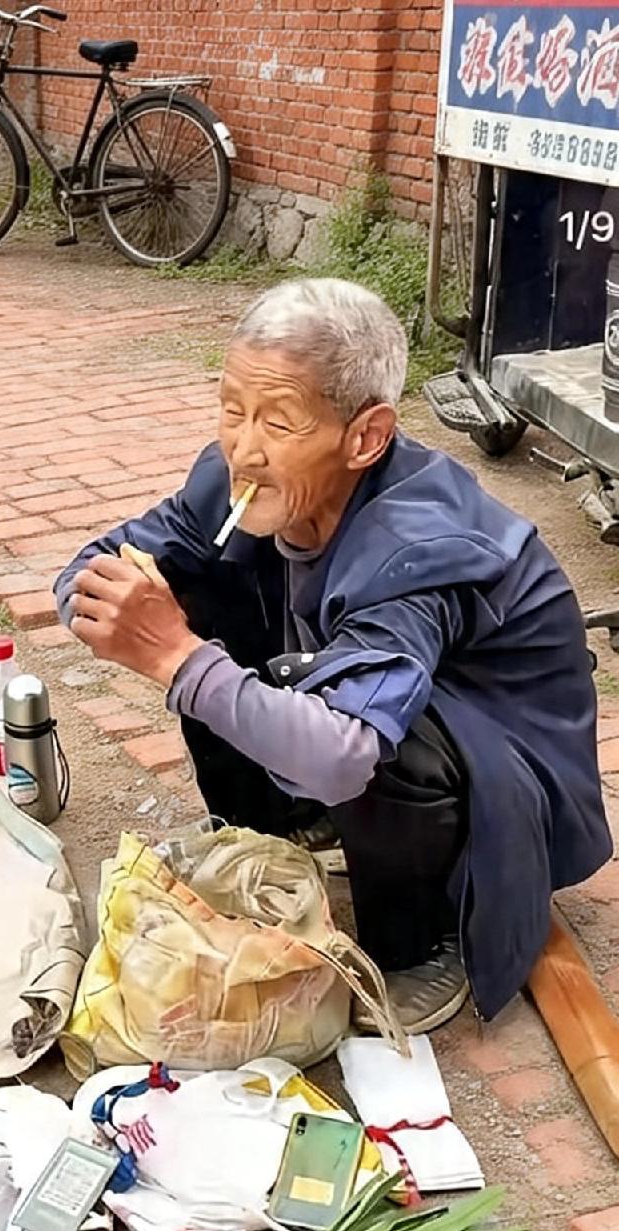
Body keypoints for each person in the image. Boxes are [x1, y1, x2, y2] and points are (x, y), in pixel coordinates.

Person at [55, 278, 611, 1033]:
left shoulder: (419, 547)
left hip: (507, 773)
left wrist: (176, 656)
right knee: (190, 586)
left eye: (277, 422)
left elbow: (348, 754)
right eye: (230, 411)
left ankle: (423, 942)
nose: (244, 448)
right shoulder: (237, 481)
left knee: (374, 740)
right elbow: (97, 565)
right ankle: (279, 829)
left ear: (366, 437)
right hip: (367, 702)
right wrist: (110, 600)